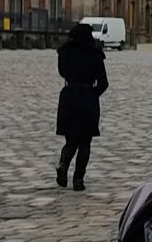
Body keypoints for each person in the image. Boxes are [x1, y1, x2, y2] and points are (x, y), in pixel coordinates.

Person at [55, 24, 108, 191]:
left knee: (70, 140)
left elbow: (62, 72)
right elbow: (103, 82)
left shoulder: (64, 52)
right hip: (87, 96)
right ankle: (78, 180)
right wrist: (93, 94)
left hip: (69, 96)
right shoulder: (95, 53)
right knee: (85, 142)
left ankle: (63, 164)